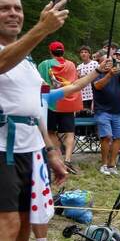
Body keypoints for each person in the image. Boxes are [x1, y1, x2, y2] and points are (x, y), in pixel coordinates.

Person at [0, 0, 69, 241]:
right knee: (7, 226)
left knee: (24, 228)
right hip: (2, 149)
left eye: (18, 8)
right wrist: (41, 30)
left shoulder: (26, 60)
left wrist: (51, 150)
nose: (13, 13)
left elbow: (35, 108)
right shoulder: (12, 52)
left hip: (30, 151)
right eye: (4, 9)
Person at [38, 41, 82, 174]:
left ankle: (58, 159)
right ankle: (68, 159)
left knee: (51, 132)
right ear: (63, 51)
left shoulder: (44, 64)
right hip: (68, 103)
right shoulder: (71, 65)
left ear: (50, 51)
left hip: (51, 103)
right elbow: (74, 83)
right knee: (69, 132)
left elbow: (41, 83)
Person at [92, 53, 120, 176]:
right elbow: (98, 86)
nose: (108, 64)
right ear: (101, 63)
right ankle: (104, 164)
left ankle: (112, 165)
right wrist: (109, 75)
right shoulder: (96, 74)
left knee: (119, 137)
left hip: (117, 111)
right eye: (106, 62)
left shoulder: (117, 74)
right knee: (106, 137)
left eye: (110, 62)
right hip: (102, 111)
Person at [76, 46, 97, 113]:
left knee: (93, 113)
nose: (83, 54)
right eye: (81, 52)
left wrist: (86, 76)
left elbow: (99, 76)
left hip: (93, 94)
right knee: (84, 114)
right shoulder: (79, 66)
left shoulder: (95, 64)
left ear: (89, 54)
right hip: (83, 95)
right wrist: (78, 77)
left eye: (85, 52)